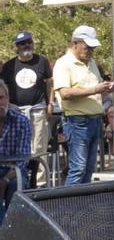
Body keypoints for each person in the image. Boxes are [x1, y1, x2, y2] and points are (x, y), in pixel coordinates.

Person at [53, 25, 113, 185]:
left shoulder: (91, 62)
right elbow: (64, 93)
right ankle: (67, 207)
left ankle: (83, 206)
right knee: (78, 168)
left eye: (93, 48)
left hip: (95, 120)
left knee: (89, 169)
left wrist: (105, 88)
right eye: (88, 47)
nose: (91, 51)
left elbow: (97, 89)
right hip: (77, 121)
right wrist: (94, 89)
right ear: (75, 43)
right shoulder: (63, 64)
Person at [1, 31, 52, 186]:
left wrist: (50, 103)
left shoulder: (42, 61)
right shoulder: (9, 65)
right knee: (16, 148)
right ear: (17, 46)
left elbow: (49, 83)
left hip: (37, 109)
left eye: (29, 41)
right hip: (15, 111)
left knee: (39, 147)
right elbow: (3, 89)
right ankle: (21, 178)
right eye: (22, 43)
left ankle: (40, 183)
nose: (26, 45)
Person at [0, 83, 32, 225]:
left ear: (8, 98)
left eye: (1, 97)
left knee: (15, 184)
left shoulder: (21, 121)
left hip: (14, 171)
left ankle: (13, 228)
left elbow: (23, 159)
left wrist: (5, 180)